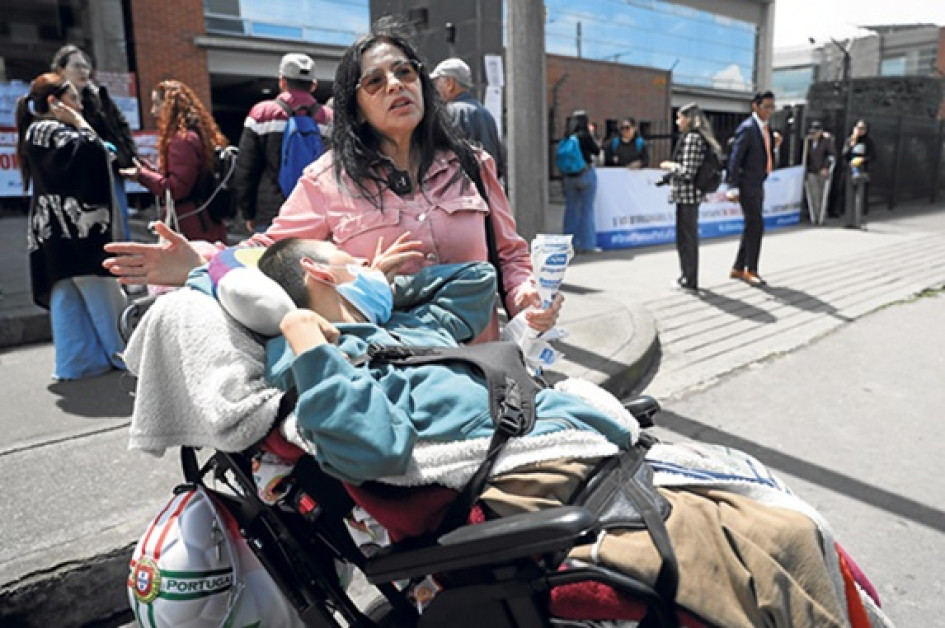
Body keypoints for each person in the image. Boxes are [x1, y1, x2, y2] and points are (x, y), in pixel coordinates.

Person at [103, 17, 561, 341]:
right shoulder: (326, 181)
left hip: (483, 367)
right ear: (355, 106)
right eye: (375, 82)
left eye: (404, 72)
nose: (396, 85)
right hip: (391, 373)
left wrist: (527, 300)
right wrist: (201, 263)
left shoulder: (472, 164)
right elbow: (270, 253)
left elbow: (510, 254)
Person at [15, 72, 127, 380]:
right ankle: (124, 356)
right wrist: (82, 125)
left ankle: (78, 363)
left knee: (68, 301)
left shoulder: (36, 131)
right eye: (73, 98)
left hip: (55, 234)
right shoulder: (53, 130)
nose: (79, 105)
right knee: (104, 298)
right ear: (55, 102)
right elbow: (92, 151)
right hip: (78, 234)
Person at [233, 53, 334, 233]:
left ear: (282, 82)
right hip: (314, 214)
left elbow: (245, 169)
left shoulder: (262, 113)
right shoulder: (328, 119)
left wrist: (248, 212)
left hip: (270, 213)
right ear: (313, 85)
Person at [119, 80, 228, 243]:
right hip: (203, 222)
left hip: (190, 227)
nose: (153, 111)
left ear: (170, 106)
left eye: (157, 104)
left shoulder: (182, 140)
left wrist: (141, 175)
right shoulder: (196, 135)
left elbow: (175, 189)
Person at [51, 45, 137, 241]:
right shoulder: (53, 100)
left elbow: (120, 127)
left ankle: (123, 265)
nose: (84, 71)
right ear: (61, 70)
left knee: (117, 220)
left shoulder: (100, 96)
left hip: (107, 168)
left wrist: (130, 158)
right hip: (75, 173)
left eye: (86, 67)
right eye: (78, 66)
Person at [659, 103, 720, 293]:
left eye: (680, 117)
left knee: (687, 239)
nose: (677, 122)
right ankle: (686, 276)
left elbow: (688, 172)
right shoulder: (693, 137)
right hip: (687, 195)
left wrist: (670, 166)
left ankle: (690, 280)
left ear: (689, 118)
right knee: (686, 238)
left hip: (688, 195)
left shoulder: (693, 139)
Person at [725, 90, 779, 287]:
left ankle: (738, 267)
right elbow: (735, 158)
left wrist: (774, 143)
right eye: (766, 107)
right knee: (757, 225)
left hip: (758, 183)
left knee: (751, 225)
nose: (769, 111)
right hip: (746, 184)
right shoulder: (748, 128)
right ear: (755, 106)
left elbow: (763, 154)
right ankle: (751, 269)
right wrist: (732, 186)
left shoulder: (765, 129)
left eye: (772, 107)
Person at [430, 57, 505, 180]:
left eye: (438, 82)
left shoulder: (451, 111)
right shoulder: (485, 113)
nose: (436, 88)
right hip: (488, 188)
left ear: (450, 83)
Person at [561, 111, 601, 254]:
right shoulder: (585, 136)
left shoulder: (567, 136)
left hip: (569, 177)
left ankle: (568, 244)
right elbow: (596, 151)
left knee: (570, 210)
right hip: (585, 174)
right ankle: (587, 244)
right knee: (586, 210)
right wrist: (592, 136)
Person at [803, 121, 837, 225]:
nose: (813, 135)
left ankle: (821, 217)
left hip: (823, 172)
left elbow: (831, 155)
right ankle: (814, 216)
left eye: (815, 132)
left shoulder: (826, 141)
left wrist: (826, 167)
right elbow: (805, 156)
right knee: (814, 194)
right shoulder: (808, 142)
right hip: (812, 171)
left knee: (822, 194)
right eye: (812, 133)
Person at [841, 119, 876, 221]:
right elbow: (844, 154)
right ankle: (849, 220)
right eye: (858, 128)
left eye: (863, 129)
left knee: (860, 195)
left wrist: (863, 159)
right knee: (849, 195)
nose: (860, 131)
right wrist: (852, 143)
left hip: (862, 169)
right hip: (851, 169)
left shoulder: (868, 142)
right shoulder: (849, 140)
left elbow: (873, 156)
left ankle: (858, 220)